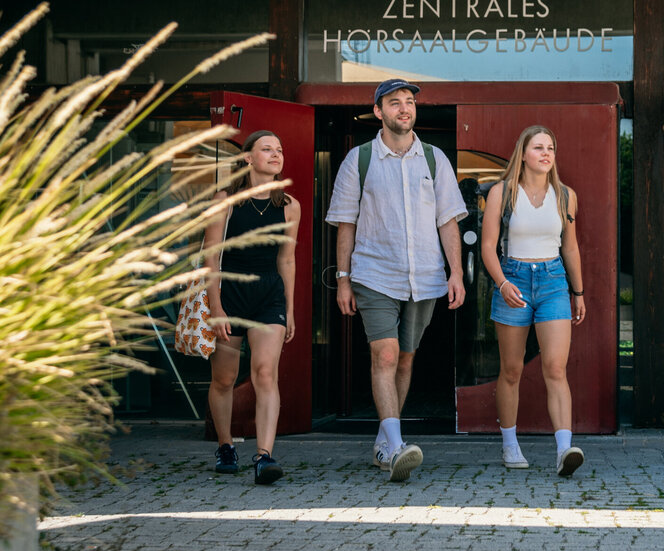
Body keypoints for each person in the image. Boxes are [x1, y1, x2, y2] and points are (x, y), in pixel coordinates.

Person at [326, 78, 467, 482]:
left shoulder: (435, 159)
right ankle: (396, 446)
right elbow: (346, 224)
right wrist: (344, 279)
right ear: (378, 111)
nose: (404, 108)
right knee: (385, 355)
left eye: (409, 102)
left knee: (406, 358)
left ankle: (384, 441)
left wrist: (456, 272)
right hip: (374, 273)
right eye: (394, 102)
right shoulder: (359, 159)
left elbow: (448, 222)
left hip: (425, 275)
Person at [480, 125, 586, 476]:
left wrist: (578, 292)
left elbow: (570, 247)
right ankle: (510, 444)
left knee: (555, 367)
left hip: (553, 280)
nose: (546, 153)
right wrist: (502, 283)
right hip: (513, 278)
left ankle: (564, 449)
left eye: (550, 148)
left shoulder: (565, 195)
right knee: (512, 369)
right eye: (538, 147)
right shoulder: (502, 192)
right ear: (523, 153)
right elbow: (488, 247)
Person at [205, 130, 299, 485]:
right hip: (230, 294)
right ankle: (226, 445)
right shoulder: (226, 201)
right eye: (267, 149)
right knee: (224, 378)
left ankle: (264, 456)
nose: (276, 155)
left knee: (264, 373)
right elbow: (210, 257)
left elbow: (286, 260)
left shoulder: (289, 205)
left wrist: (289, 309)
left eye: (279, 149)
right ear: (248, 158)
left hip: (268, 296)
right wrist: (216, 307)